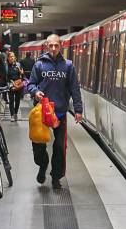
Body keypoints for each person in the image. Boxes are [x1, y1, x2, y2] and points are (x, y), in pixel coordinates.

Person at [28, 34, 83, 189]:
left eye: (56, 46)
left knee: (59, 147)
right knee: (38, 146)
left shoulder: (68, 66)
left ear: (61, 46)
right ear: (46, 45)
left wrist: (78, 109)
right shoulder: (39, 65)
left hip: (59, 113)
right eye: (50, 45)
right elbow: (30, 84)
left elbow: (74, 89)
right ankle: (43, 164)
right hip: (41, 113)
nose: (53, 48)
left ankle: (56, 177)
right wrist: (35, 92)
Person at [7, 52, 24, 122]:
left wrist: (21, 72)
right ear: (8, 58)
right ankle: (11, 115)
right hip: (11, 84)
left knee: (17, 100)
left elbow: (22, 75)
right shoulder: (6, 66)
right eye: (11, 57)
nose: (12, 58)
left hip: (18, 84)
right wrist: (12, 83)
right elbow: (6, 77)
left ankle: (15, 113)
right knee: (11, 101)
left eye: (13, 56)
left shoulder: (18, 64)